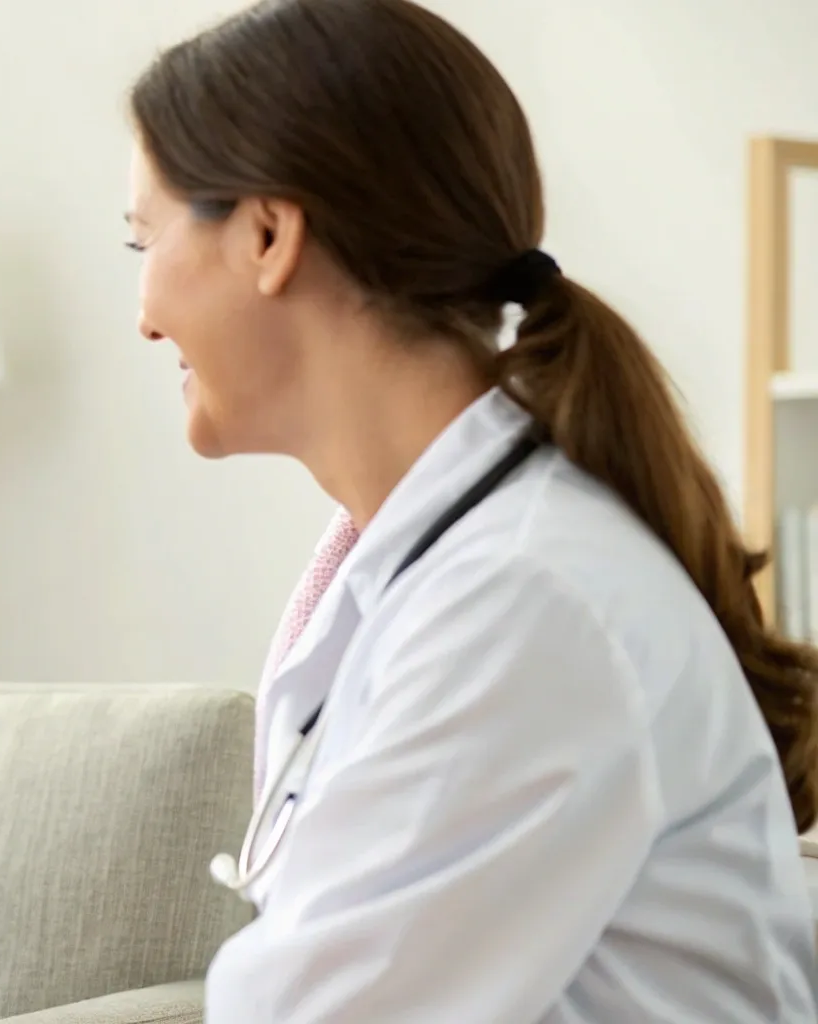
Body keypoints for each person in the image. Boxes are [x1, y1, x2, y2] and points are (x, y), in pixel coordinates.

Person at [122, 1, 818, 1020]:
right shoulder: (453, 567)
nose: (141, 314)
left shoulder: (520, 601)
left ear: (268, 234)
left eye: (140, 239)